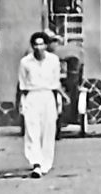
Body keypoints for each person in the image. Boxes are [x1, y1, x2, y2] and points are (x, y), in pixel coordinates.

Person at [17, 31, 66, 178]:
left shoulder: (53, 60)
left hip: (48, 96)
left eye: (41, 44)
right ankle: (36, 163)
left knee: (48, 131)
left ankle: (45, 163)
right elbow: (22, 84)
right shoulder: (25, 62)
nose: (39, 47)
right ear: (32, 46)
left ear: (46, 45)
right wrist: (21, 103)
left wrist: (60, 99)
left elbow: (56, 82)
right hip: (32, 96)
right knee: (32, 131)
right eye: (36, 44)